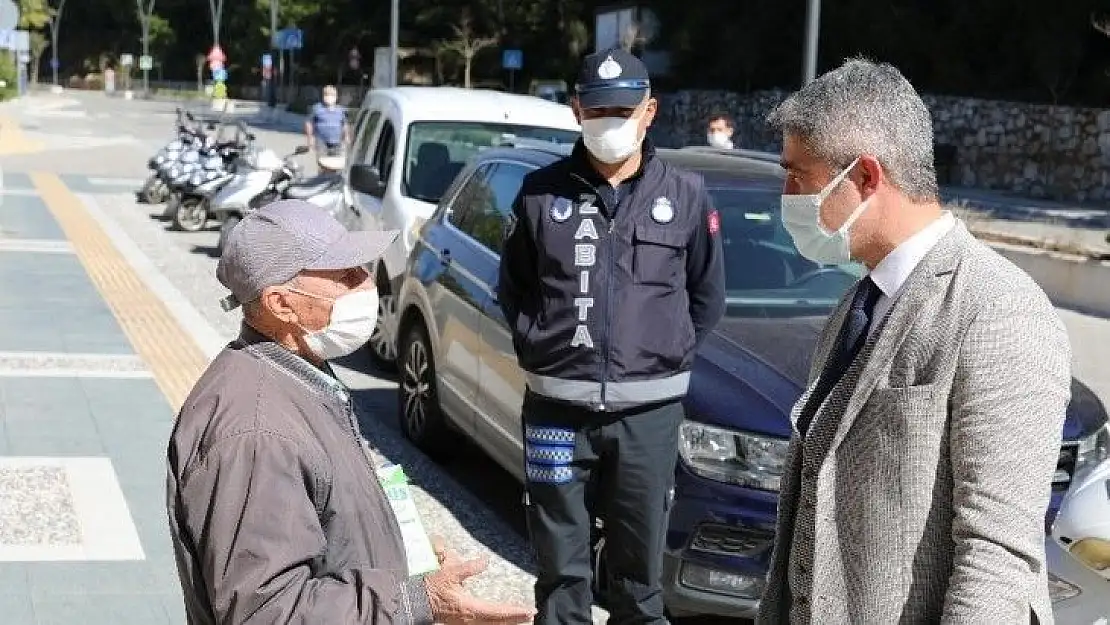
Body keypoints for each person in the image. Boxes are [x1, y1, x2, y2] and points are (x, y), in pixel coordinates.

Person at [756, 58, 1071, 625]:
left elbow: (996, 553)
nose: (787, 195)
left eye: (797, 176)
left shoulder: (997, 307)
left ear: (866, 178)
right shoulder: (857, 303)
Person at [166, 199, 535, 625]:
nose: (366, 284)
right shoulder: (257, 433)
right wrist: (417, 601)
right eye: (346, 276)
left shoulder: (298, 374)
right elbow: (269, 612)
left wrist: (397, 552)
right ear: (281, 303)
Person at [498, 48, 726, 624]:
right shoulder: (538, 194)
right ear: (576, 110)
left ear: (649, 111)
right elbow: (515, 289)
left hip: (648, 419)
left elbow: (706, 298)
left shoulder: (688, 195)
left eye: (622, 110)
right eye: (597, 109)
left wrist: (657, 355)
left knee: (639, 579)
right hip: (555, 411)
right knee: (559, 575)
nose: (609, 122)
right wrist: (540, 345)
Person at [305, 84, 349, 157]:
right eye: (326, 94)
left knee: (334, 164)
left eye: (332, 95)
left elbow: (344, 124)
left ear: (336, 97)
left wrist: (346, 136)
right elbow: (308, 123)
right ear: (323, 96)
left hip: (337, 142)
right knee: (323, 163)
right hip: (321, 142)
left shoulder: (341, 110)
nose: (329, 97)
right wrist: (310, 138)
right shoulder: (317, 108)